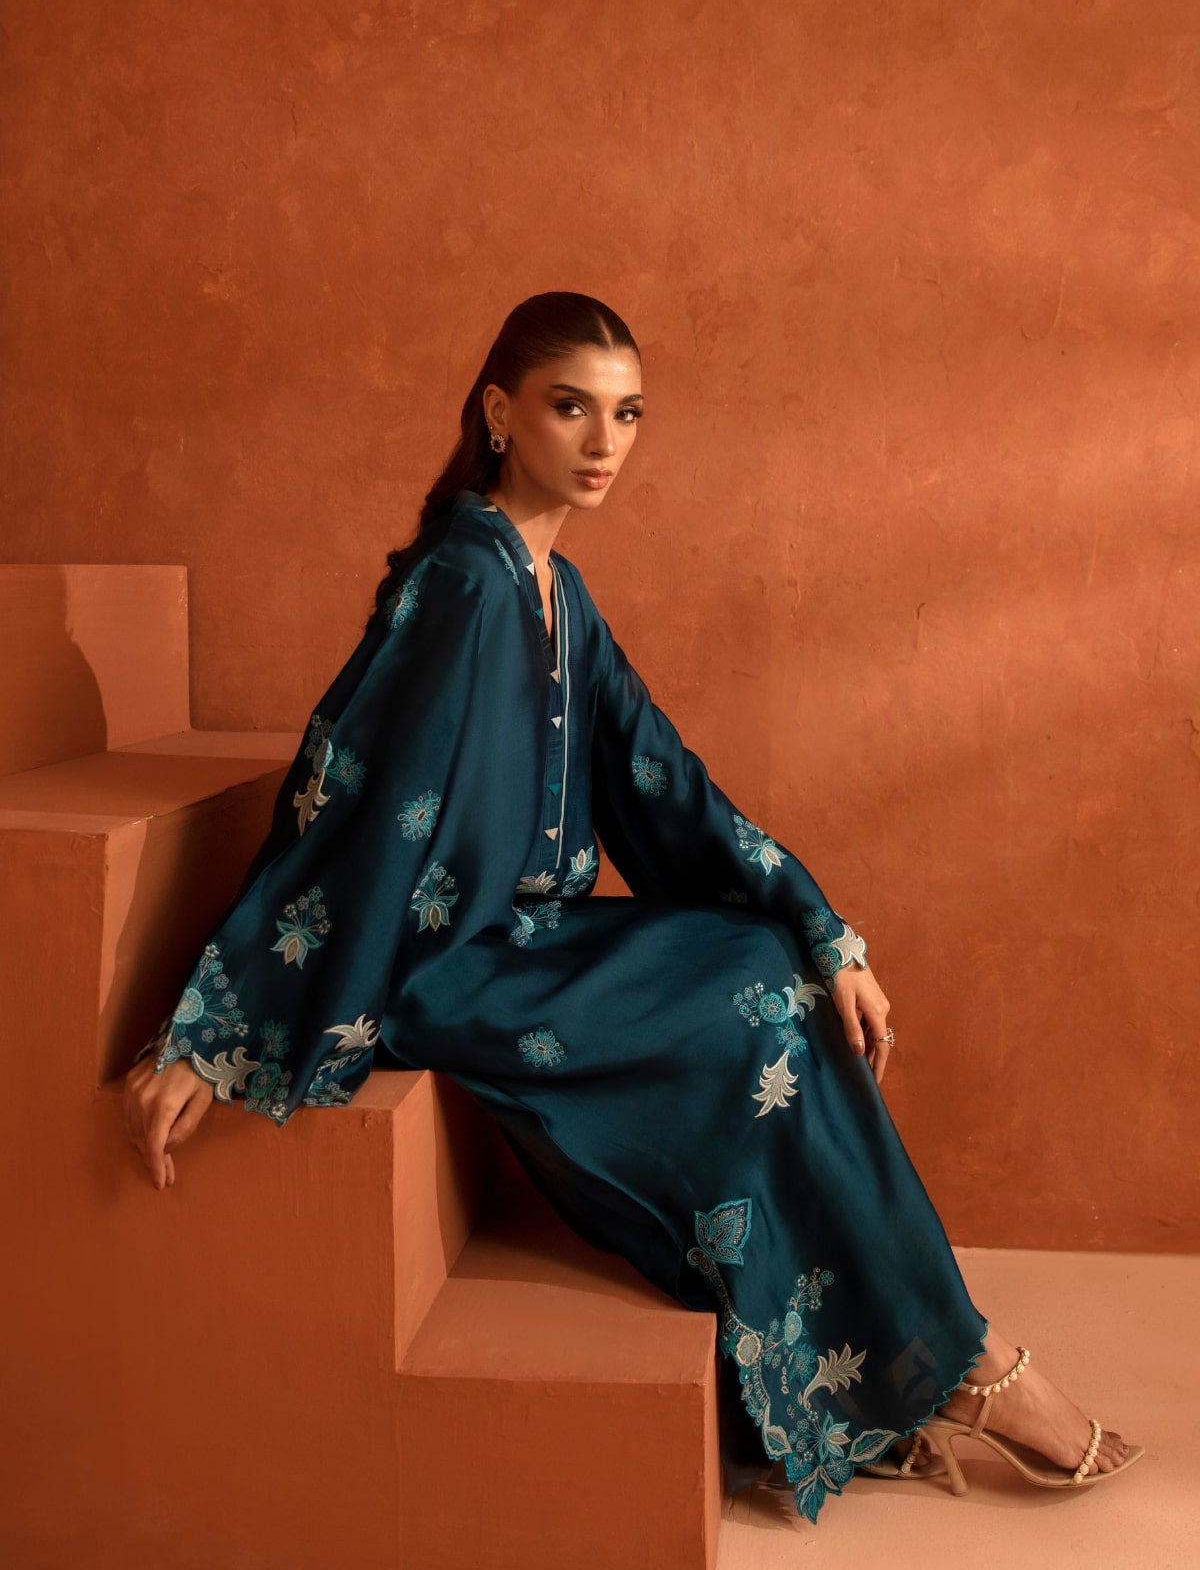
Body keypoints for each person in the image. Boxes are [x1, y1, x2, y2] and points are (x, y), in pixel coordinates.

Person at [123, 291, 1142, 1524]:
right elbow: (356, 797)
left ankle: (919, 1366)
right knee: (754, 998)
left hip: (537, 943)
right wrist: (226, 1029)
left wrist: (828, 929)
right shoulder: (464, 580)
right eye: (570, 407)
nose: (604, 441)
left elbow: (667, 785)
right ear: (500, 412)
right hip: (458, 967)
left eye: (627, 414)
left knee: (776, 967)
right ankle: (960, 1368)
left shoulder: (559, 592)